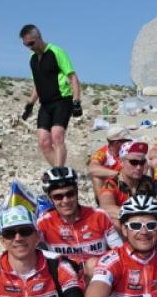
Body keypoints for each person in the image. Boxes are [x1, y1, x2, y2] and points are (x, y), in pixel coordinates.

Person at [35, 166, 121, 278]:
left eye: (70, 194)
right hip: (66, 276)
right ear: (50, 198)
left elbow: (119, 251)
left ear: (77, 192)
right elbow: (27, 250)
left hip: (98, 274)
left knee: (92, 264)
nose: (65, 201)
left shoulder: (99, 216)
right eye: (58, 197)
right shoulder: (44, 222)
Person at [18, 24, 82, 167]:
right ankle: (60, 171)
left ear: (39, 37)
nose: (29, 47)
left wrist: (76, 102)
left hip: (62, 100)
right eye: (26, 45)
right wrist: (29, 105)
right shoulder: (32, 59)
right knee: (43, 142)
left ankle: (60, 175)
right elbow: (37, 84)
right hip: (45, 104)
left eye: (31, 43)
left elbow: (73, 77)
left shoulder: (56, 52)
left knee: (57, 135)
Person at [87, 125, 130, 199]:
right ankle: (103, 205)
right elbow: (92, 168)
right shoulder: (102, 153)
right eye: (126, 141)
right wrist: (117, 174)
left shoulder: (128, 150)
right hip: (109, 186)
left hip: (128, 183)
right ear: (116, 143)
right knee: (96, 177)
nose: (129, 142)